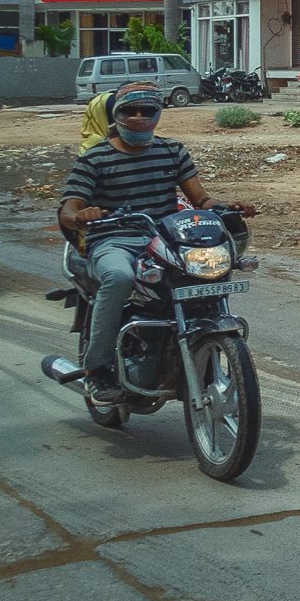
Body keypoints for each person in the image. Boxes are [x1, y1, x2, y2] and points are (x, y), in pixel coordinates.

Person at [57, 84, 255, 406]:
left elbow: (200, 199)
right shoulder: (95, 159)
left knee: (207, 273)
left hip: (163, 239)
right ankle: (98, 371)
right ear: (116, 115)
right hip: (113, 240)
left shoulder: (172, 150)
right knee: (119, 278)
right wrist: (82, 214)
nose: (138, 117)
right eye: (128, 111)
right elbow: (67, 211)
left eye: (147, 111)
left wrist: (227, 206)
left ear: (159, 114)